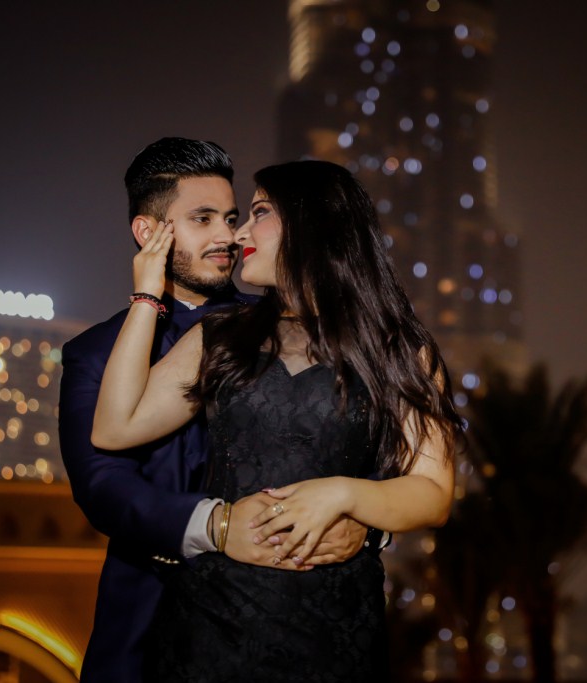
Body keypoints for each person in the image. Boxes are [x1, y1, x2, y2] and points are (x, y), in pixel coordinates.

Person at [92, 159, 463, 681]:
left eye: (260, 212)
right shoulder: (219, 336)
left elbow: (433, 494)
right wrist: (147, 297)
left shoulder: (400, 350)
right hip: (210, 629)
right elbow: (114, 427)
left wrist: (343, 494)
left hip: (336, 634)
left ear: (313, 223)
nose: (238, 233)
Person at [58, 140, 375, 683]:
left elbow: (365, 447)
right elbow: (102, 486)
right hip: (145, 622)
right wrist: (217, 526)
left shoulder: (290, 328)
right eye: (202, 219)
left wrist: (368, 528)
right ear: (148, 233)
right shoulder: (93, 353)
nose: (227, 236)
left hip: (288, 617)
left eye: (232, 218)